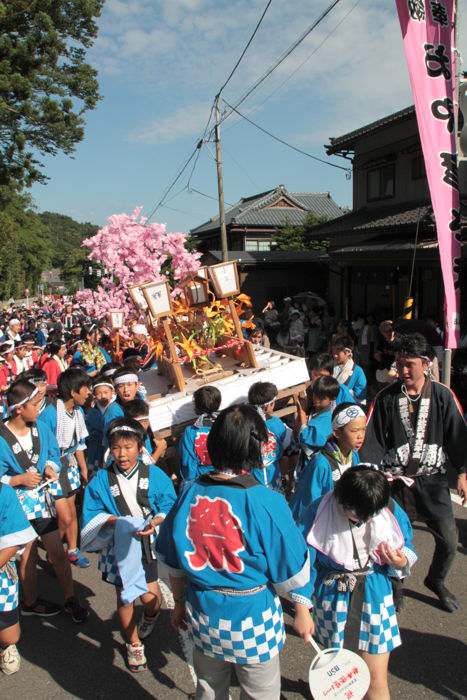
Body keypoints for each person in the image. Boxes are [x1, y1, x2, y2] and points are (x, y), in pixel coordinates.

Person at [156, 404, 314, 699]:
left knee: (209, 687)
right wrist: (302, 610)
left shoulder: (189, 492)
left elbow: (171, 559)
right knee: (260, 693)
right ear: (257, 445)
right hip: (252, 617)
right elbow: (292, 567)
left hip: (202, 613)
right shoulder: (266, 500)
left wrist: (178, 602)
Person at [361, 333, 467, 613]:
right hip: (395, 484)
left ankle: (436, 580)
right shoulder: (385, 398)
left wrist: (463, 473)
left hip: (433, 481)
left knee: (450, 538)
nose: (403, 370)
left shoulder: (443, 396)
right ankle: (397, 585)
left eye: (409, 364)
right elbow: (372, 441)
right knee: (393, 540)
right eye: (399, 363)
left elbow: (458, 436)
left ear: (426, 363)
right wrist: (372, 479)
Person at [299, 466, 416, 700]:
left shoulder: (389, 508)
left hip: (374, 593)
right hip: (334, 597)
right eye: (350, 510)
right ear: (339, 495)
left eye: (367, 514)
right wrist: (302, 607)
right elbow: (303, 561)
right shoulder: (320, 510)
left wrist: (400, 559)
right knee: (339, 675)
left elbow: (407, 548)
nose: (358, 518)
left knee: (376, 680)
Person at [81, 418, 176, 672]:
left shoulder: (153, 474)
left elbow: (168, 504)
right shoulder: (102, 479)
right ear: (109, 449)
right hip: (119, 545)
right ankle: (133, 644)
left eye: (128, 447)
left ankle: (151, 615)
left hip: (147, 542)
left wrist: (156, 521)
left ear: (140, 447)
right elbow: (92, 512)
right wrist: (114, 520)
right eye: (116, 448)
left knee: (150, 598)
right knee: (125, 598)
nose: (122, 454)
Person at [0, 380, 88, 622]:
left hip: (41, 499)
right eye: (35, 403)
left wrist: (50, 467)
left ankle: (70, 599)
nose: (39, 408)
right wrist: (18, 479)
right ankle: (30, 601)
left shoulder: (39, 428)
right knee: (27, 556)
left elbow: (52, 454)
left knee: (57, 552)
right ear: (19, 408)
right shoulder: (1, 437)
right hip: (16, 505)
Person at [39, 367, 92, 569]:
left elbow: (78, 443)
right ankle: (53, 553)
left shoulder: (77, 412)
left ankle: (71, 550)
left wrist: (83, 468)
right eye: (85, 388)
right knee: (64, 515)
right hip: (53, 466)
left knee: (72, 509)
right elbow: (43, 445)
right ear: (73, 392)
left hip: (68, 463)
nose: (88, 392)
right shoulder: (51, 414)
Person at [290, 402, 366, 521]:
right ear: (337, 433)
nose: (360, 436)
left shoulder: (354, 456)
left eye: (363, 429)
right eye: (354, 431)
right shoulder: (321, 463)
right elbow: (309, 504)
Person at [0, 482, 37, 675]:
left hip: (0, 570)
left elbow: (13, 543)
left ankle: (7, 646)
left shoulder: (4, 492)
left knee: (9, 636)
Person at [248, 381, 293, 489]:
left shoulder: (245, 423)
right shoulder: (276, 424)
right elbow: (288, 445)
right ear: (268, 406)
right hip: (272, 476)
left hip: (251, 479)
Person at [179, 386, 221, 483]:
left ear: (197, 406)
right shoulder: (227, 425)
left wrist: (191, 484)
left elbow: (188, 464)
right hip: (228, 476)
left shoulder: (191, 432)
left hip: (203, 479)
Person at [295, 376, 340, 464]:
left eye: (321, 398)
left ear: (332, 399)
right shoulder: (314, 409)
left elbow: (307, 441)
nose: (316, 399)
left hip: (315, 463)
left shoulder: (327, 419)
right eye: (315, 395)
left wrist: (303, 418)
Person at [85, 375, 116, 475]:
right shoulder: (92, 413)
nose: (103, 396)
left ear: (112, 392)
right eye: (99, 393)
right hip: (95, 450)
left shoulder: (115, 409)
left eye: (106, 392)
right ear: (94, 394)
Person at [123, 399, 167, 466]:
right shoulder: (128, 441)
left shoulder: (145, 435)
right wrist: (159, 450)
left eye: (145, 421)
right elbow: (143, 468)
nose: (143, 426)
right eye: (139, 422)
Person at [332, 335, 367, 404]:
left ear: (347, 352)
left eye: (337, 353)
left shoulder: (358, 371)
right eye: (333, 353)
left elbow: (360, 395)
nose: (335, 356)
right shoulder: (331, 366)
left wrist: (342, 389)